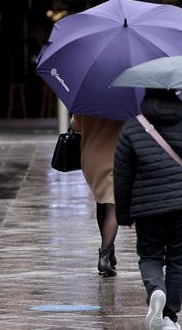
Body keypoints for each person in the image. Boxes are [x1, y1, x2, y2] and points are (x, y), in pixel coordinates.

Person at [113, 89, 182, 330]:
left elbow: (122, 176)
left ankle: (156, 290)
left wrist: (123, 214)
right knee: (178, 260)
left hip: (147, 206)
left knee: (150, 255)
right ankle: (169, 318)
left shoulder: (132, 128)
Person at [71, 114, 123, 277]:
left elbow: (75, 125)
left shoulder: (87, 101)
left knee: (102, 201)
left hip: (90, 158)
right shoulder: (123, 100)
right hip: (115, 156)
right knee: (114, 204)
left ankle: (109, 249)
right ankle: (104, 255)